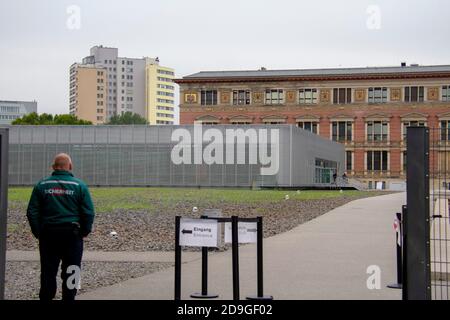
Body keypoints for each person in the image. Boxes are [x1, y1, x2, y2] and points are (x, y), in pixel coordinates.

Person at [27, 153, 95, 300]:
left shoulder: (42, 185)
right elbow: (89, 212)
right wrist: (84, 231)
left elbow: (32, 211)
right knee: (73, 269)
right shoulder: (79, 186)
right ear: (70, 167)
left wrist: (38, 231)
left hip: (49, 234)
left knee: (48, 271)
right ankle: (70, 298)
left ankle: (46, 297)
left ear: (53, 167)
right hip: (72, 234)